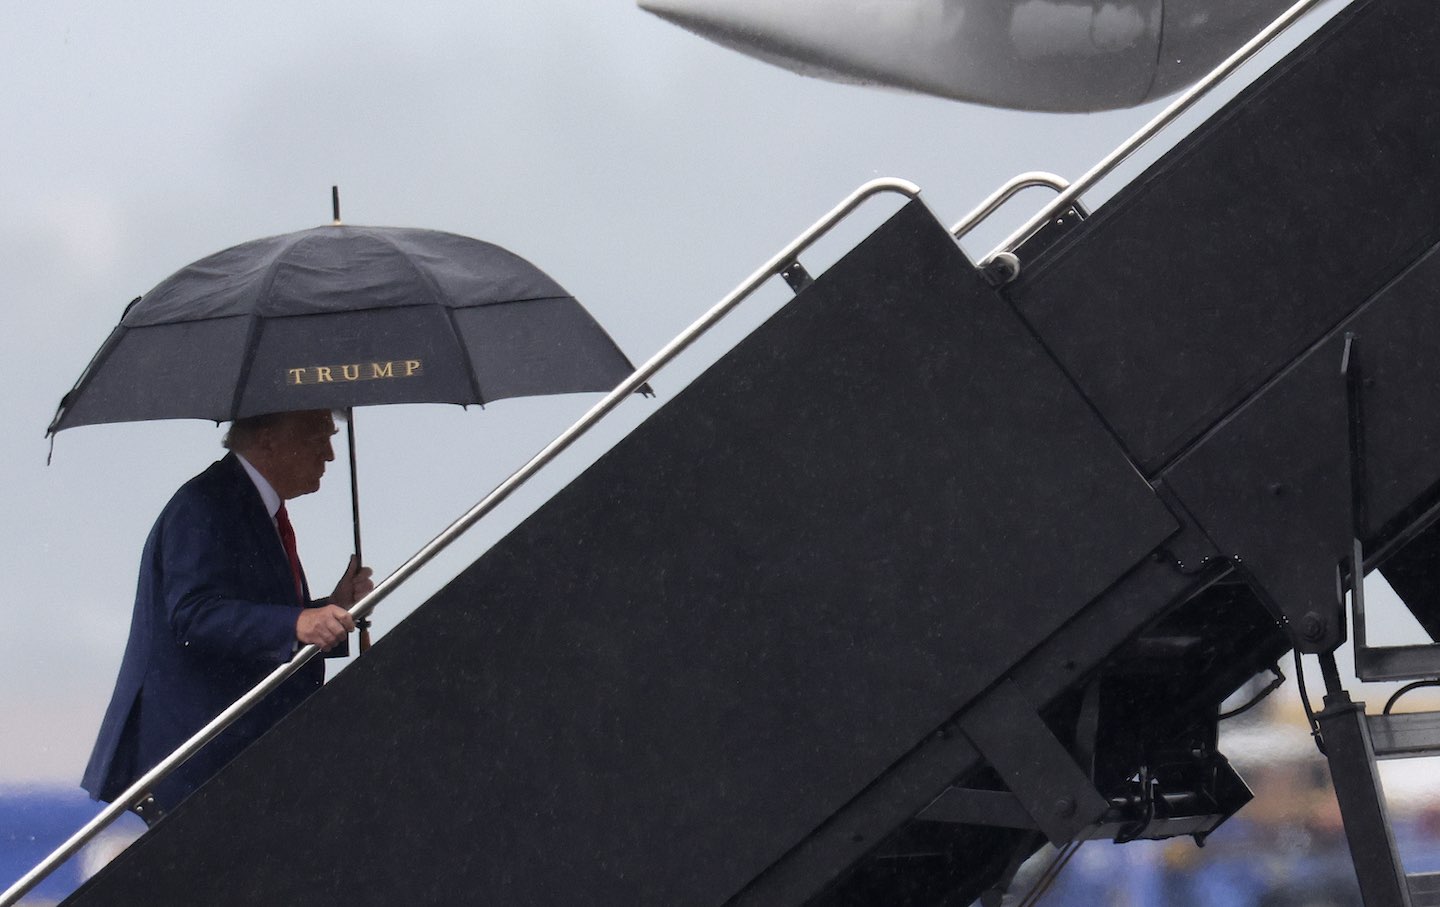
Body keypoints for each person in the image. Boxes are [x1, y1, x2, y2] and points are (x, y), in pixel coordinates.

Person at [81, 409, 374, 818]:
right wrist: (297, 623)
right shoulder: (205, 504)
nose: (328, 455)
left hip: (237, 764)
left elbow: (247, 620)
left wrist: (329, 610)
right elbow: (192, 614)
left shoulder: (249, 505)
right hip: (198, 764)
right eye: (316, 438)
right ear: (269, 440)